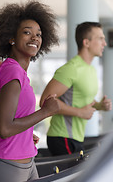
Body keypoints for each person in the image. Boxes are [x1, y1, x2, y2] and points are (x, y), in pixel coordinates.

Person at [0, 0, 61, 182]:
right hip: (7, 166)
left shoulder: (15, 71)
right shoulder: (13, 72)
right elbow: (5, 129)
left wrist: (23, 133)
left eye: (38, 34)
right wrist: (45, 112)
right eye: (27, 32)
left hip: (26, 163)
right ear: (11, 37)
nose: (35, 38)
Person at [40, 22, 112, 156]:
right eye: (100, 38)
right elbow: (45, 100)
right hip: (62, 137)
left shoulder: (90, 69)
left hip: (76, 138)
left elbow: (80, 100)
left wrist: (99, 106)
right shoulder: (71, 69)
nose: (105, 43)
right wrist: (79, 112)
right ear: (86, 43)